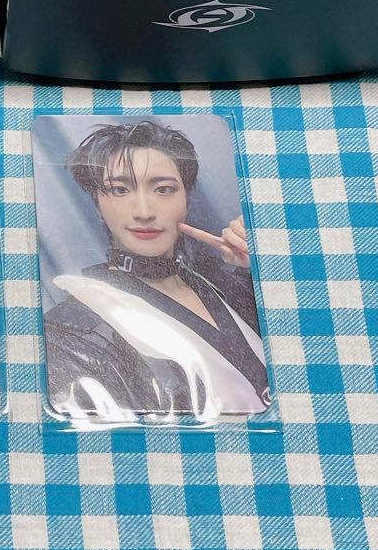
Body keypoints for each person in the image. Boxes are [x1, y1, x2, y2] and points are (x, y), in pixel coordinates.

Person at [43, 119, 269, 421]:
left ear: (186, 202)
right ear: (98, 207)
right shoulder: (71, 330)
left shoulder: (230, 285)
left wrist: (267, 271)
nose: (144, 212)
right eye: (119, 190)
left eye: (163, 189)